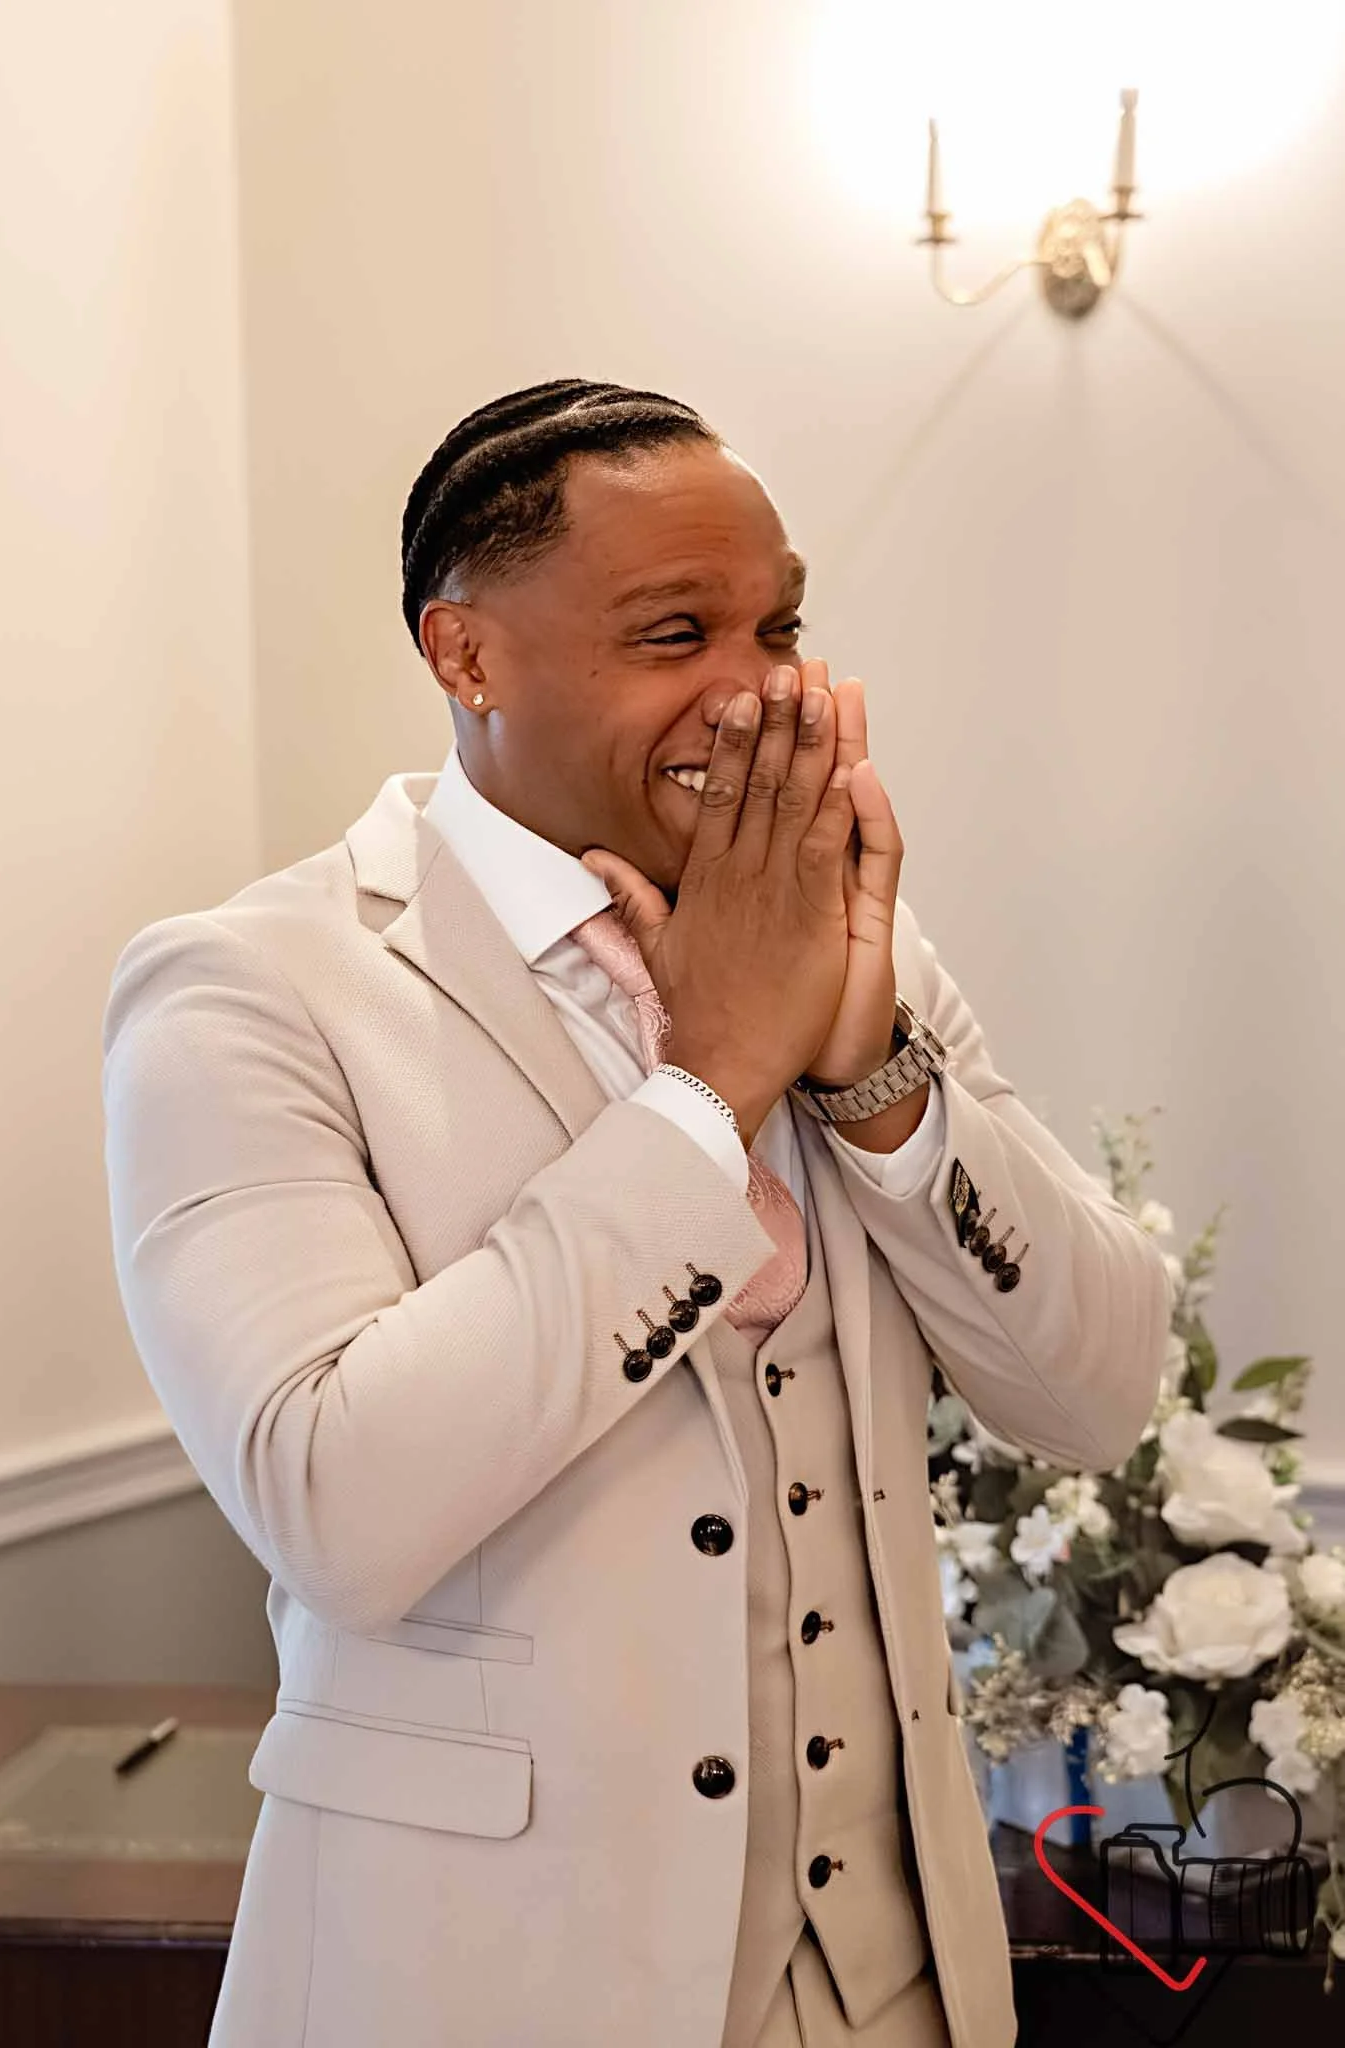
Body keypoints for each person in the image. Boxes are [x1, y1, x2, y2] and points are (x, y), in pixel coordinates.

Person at [101, 377, 1172, 2048]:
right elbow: (336, 1503)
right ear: (465, 658)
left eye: (780, 625)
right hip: (485, 1988)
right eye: (676, 633)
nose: (758, 693)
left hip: (900, 1993)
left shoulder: (860, 955)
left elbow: (1098, 1393)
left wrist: (871, 1072)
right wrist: (708, 1090)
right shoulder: (249, 990)